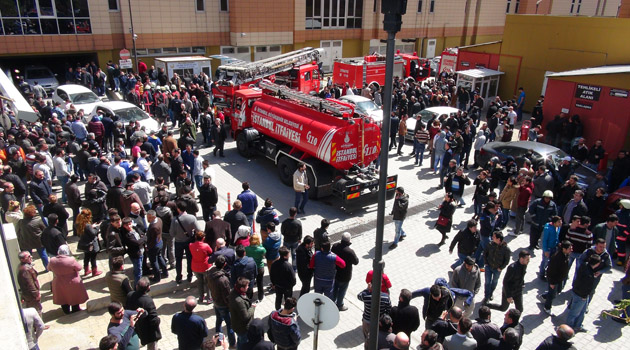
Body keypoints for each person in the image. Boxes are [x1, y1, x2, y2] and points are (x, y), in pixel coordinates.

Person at [48, 245, 89, 314]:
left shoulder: (52, 260)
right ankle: (75, 310)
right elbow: (79, 267)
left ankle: (66, 312)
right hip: (72, 281)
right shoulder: (71, 259)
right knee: (74, 296)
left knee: (62, 297)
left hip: (58, 282)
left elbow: (49, 268)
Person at [207, 255, 236, 348]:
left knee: (219, 321)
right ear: (224, 264)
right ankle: (232, 343)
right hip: (223, 305)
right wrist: (230, 305)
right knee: (230, 324)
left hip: (215, 301)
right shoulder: (223, 280)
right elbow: (227, 295)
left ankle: (218, 340)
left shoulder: (210, 273)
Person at [125, 277, 162, 350]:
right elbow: (154, 320)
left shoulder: (130, 295)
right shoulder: (148, 301)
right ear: (148, 287)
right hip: (148, 331)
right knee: (152, 346)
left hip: (136, 326)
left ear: (136, 286)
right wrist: (158, 320)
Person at [540, 241, 572, 316]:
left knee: (558, 290)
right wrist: (552, 283)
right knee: (552, 294)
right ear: (564, 249)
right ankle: (547, 307)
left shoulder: (565, 255)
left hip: (559, 279)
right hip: (554, 280)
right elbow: (550, 271)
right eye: (569, 248)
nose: (571, 250)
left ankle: (544, 296)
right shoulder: (557, 258)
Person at [331, 232, 359, 311]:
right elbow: (356, 262)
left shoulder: (335, 246)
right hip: (345, 275)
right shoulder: (350, 251)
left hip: (335, 272)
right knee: (342, 290)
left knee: (335, 288)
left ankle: (332, 302)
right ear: (349, 240)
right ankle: (339, 305)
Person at [171, 200, 197, 284]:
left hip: (178, 242)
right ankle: (189, 275)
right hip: (189, 241)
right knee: (189, 258)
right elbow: (199, 229)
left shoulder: (175, 220)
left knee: (178, 260)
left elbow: (171, 233)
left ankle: (179, 277)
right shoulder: (192, 218)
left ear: (178, 209)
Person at [229, 277, 256, 350]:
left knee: (240, 341)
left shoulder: (234, 292)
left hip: (237, 325)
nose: (248, 287)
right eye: (247, 286)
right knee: (244, 344)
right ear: (242, 288)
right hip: (242, 327)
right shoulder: (239, 301)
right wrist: (252, 308)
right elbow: (245, 316)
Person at [75, 209, 102, 277]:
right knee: (93, 258)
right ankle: (94, 271)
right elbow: (93, 233)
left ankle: (86, 270)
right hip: (91, 244)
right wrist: (97, 227)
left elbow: (85, 231)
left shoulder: (78, 223)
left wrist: (91, 227)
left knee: (86, 257)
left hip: (84, 244)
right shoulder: (87, 225)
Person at [121, 217, 147, 288]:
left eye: (130, 224)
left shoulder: (135, 228)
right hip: (136, 254)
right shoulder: (127, 235)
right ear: (124, 226)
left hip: (141, 251)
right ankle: (137, 287)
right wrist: (143, 238)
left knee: (139, 268)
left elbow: (142, 234)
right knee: (138, 272)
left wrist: (143, 237)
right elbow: (137, 243)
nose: (129, 226)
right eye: (127, 225)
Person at [189, 230, 213, 303]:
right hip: (205, 266)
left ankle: (201, 297)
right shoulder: (205, 246)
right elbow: (210, 252)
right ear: (203, 238)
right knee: (207, 282)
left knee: (200, 282)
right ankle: (209, 298)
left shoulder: (191, 245)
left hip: (195, 267)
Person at [270, 246, 296, 311]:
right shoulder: (288, 266)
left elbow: (271, 275)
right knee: (288, 300)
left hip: (278, 286)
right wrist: (292, 285)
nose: (289, 255)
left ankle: (278, 311)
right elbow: (293, 278)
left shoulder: (274, 264)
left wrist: (273, 283)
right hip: (287, 287)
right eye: (288, 254)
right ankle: (287, 311)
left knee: (278, 299)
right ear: (285, 256)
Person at [245, 234, 267, 302]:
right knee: (260, 282)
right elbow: (264, 256)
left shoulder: (247, 248)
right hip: (260, 267)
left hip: (250, 267)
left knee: (250, 281)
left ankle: (250, 296)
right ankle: (260, 296)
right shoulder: (262, 249)